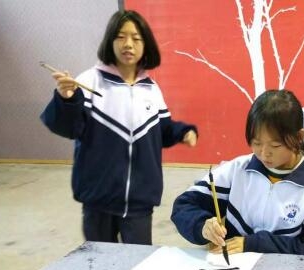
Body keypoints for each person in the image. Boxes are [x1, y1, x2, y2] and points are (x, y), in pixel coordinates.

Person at [40, 10, 197, 245]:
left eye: (136, 38)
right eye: (121, 37)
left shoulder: (151, 89)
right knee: (99, 260)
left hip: (140, 200)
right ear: (110, 41)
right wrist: (66, 98)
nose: (128, 44)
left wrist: (182, 131)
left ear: (146, 44)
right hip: (98, 199)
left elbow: (161, 129)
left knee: (138, 261)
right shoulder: (89, 81)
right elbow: (69, 128)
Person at [171, 90, 304, 257]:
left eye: (275, 146)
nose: (264, 154)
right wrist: (202, 226)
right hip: (232, 268)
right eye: (256, 143)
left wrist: (254, 244)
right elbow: (183, 206)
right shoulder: (238, 170)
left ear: (299, 137)